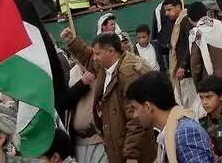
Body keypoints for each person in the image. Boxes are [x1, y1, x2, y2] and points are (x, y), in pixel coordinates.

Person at [61, 28, 156, 163]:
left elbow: (137, 120)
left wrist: (132, 155)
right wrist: (72, 42)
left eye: (98, 54)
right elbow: (89, 59)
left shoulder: (128, 74)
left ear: (111, 51)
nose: (95, 57)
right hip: (117, 148)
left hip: (131, 154)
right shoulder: (106, 67)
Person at [125, 71, 215, 163]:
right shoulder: (170, 132)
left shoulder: (184, 133)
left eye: (135, 108)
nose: (135, 115)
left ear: (148, 107)